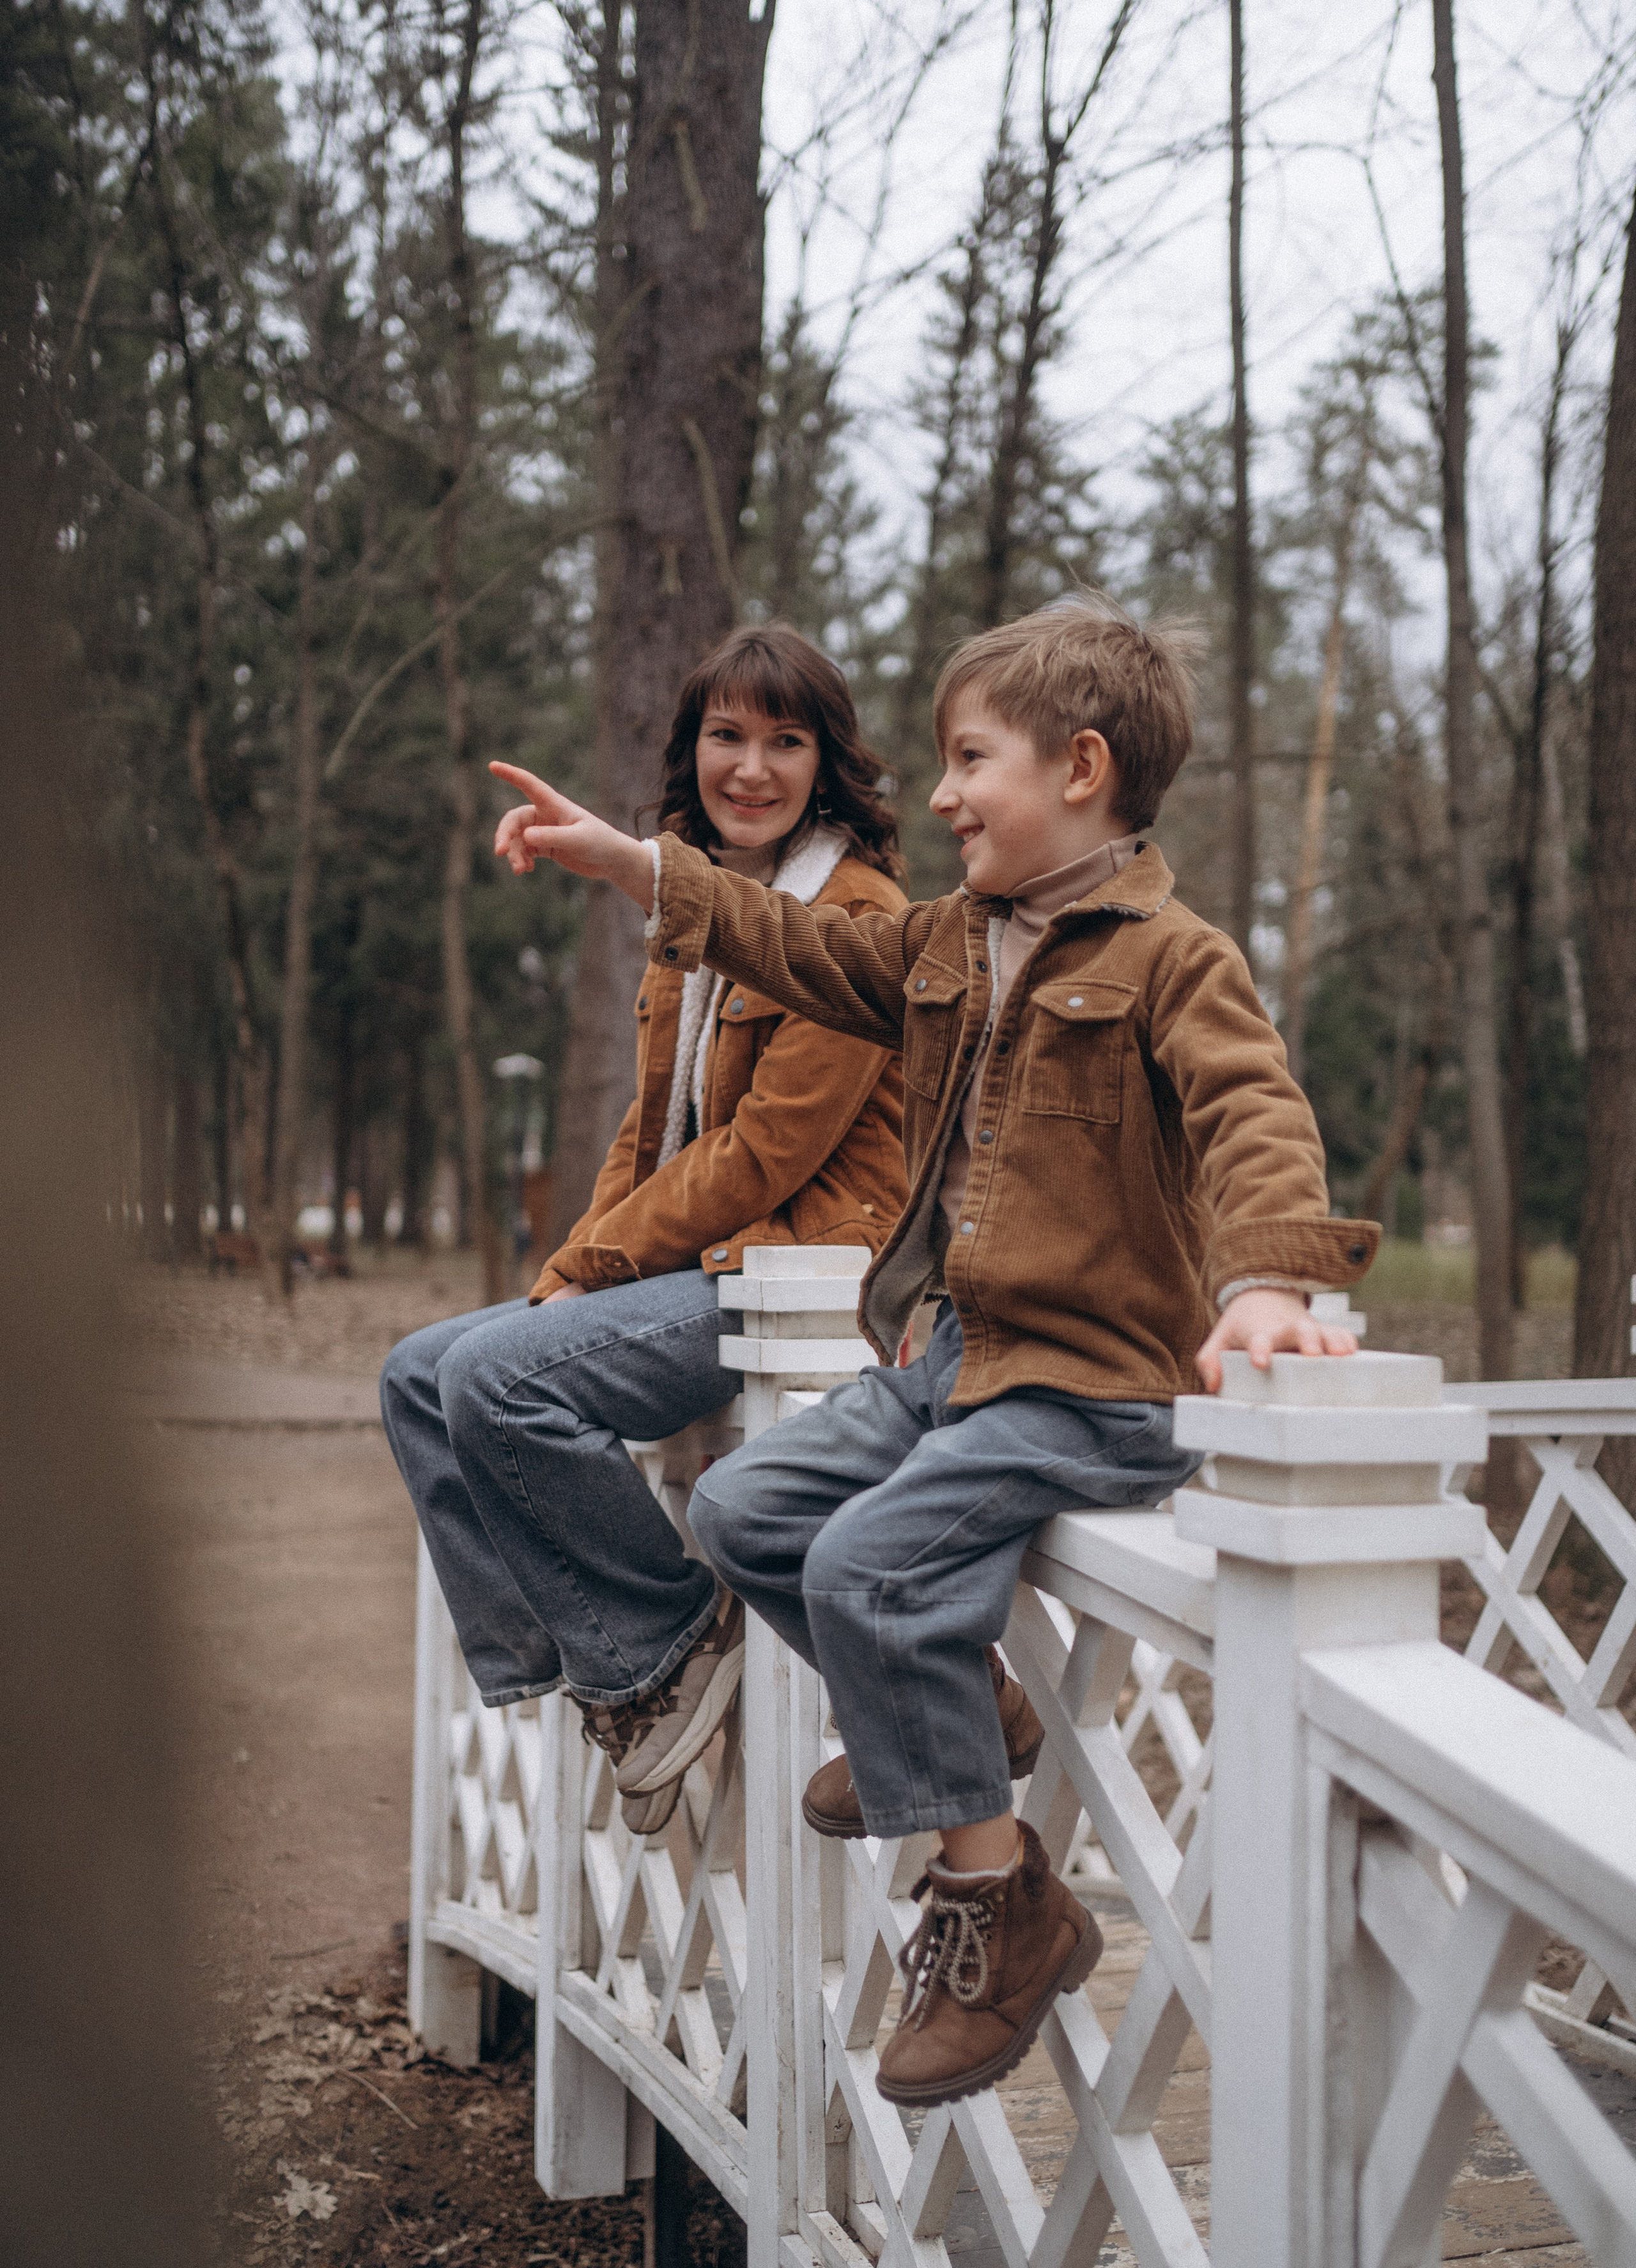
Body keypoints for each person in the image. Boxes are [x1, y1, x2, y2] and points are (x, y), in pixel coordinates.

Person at [490, 593, 1378, 2102]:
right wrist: (635, 864)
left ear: (1078, 768)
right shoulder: (952, 944)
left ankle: (997, 1908)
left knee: (863, 1572)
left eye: (971, 763)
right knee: (742, 1511)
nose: (943, 793)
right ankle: (953, 1707)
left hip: (1086, 1380)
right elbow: (790, 943)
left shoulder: (1172, 959)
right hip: (952, 1356)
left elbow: (1250, 1116)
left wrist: (1269, 1278)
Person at [383, 625, 909, 1836]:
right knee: (419, 1377)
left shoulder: (858, 916)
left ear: (828, 764)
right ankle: (573, 1670)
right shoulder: (699, 907)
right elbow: (652, 1128)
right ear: (693, 748)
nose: (754, 768)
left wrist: (598, 1265)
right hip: (708, 1260)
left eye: (789, 741)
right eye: (729, 735)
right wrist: (574, 1263)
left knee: (497, 1383)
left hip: (800, 1276)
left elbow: (765, 1151)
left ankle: (662, 1648)